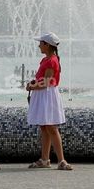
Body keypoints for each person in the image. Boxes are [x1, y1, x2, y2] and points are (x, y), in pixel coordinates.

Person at [26, 32, 72, 170]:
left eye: (41, 43)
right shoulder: (47, 60)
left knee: (51, 127)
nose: (39, 45)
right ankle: (45, 159)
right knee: (44, 127)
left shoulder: (51, 61)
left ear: (47, 45)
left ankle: (61, 160)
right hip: (43, 95)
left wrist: (31, 86)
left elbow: (47, 82)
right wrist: (34, 83)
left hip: (47, 95)